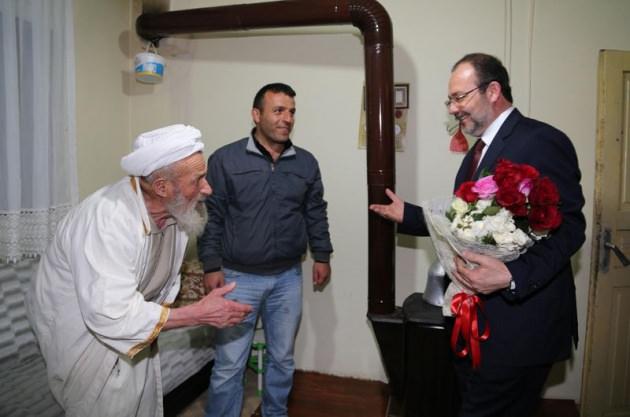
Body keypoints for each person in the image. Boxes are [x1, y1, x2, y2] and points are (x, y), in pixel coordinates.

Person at [370, 53, 586, 417]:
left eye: (459, 97)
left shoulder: (541, 140)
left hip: (520, 329)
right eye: (450, 101)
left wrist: (511, 275)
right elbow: (465, 223)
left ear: (493, 90)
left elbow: (570, 228)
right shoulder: (477, 153)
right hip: (478, 325)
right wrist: (408, 215)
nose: (453, 108)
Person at [27, 124, 253, 417]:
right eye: (198, 180)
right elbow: (112, 314)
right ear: (162, 187)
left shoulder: (178, 215)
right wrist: (197, 314)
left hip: (135, 329)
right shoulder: (109, 220)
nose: (207, 188)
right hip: (87, 338)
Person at [198, 82, 333, 417]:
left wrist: (322, 255)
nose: (287, 119)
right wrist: (211, 265)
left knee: (282, 359)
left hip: (287, 278)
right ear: (256, 115)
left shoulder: (306, 163)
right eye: (278, 110)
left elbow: (315, 211)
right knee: (230, 364)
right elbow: (211, 216)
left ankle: (275, 413)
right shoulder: (225, 160)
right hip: (237, 279)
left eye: (291, 112)